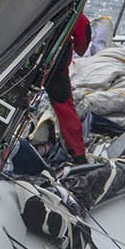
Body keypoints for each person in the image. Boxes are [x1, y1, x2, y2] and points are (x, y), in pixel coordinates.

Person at [47, 12, 91, 159]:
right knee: (64, 109)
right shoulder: (71, 7)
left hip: (28, 57)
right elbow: (83, 37)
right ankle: (78, 155)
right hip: (56, 62)